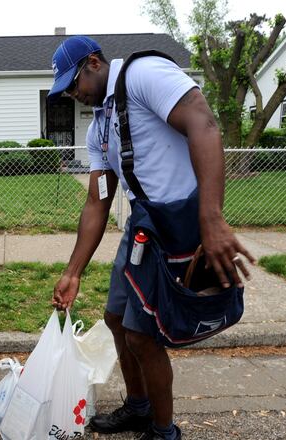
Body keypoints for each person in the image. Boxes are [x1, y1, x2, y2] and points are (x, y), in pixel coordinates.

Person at [48, 36, 255, 440]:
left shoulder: (143, 74)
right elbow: (97, 201)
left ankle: (164, 432)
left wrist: (211, 219)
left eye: (74, 84)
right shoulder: (100, 128)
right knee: (114, 318)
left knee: (143, 335)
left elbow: (204, 124)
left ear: (93, 63)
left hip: (182, 221)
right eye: (67, 91)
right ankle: (139, 408)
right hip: (144, 226)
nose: (73, 95)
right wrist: (73, 272)